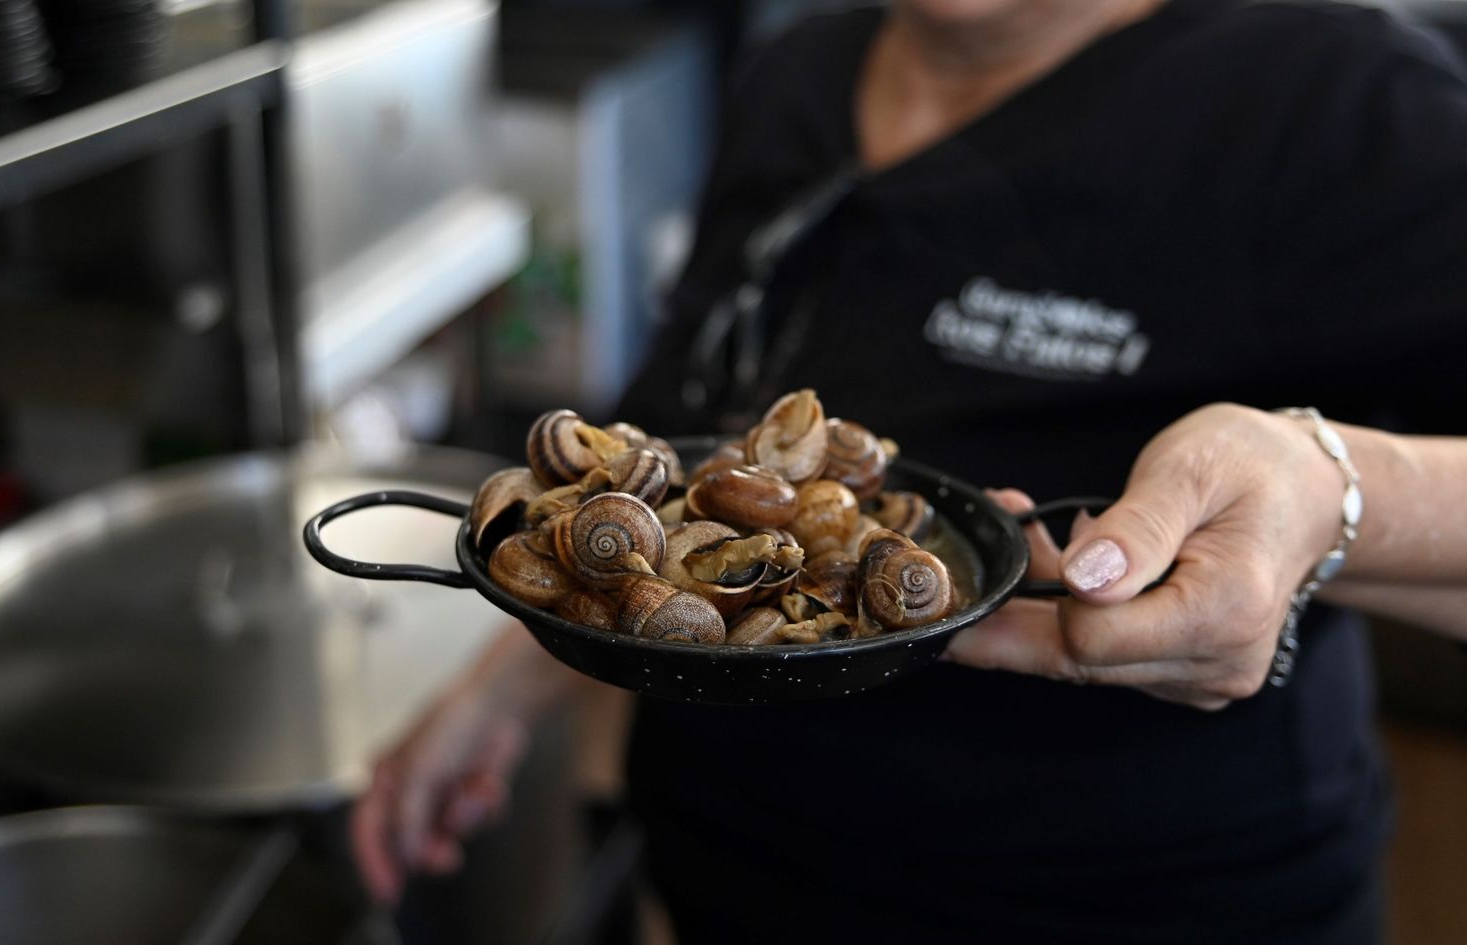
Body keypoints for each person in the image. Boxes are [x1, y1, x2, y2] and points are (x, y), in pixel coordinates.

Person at [350, 0, 1467, 941]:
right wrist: (508, 682)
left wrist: (1330, 487)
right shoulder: (795, 72)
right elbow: (680, 446)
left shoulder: (1334, 104)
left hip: (1121, 911)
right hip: (721, 882)